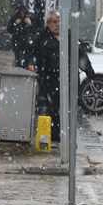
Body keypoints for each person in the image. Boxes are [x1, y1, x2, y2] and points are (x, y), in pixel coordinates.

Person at [27, 11, 61, 143]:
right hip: (49, 78)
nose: (57, 25)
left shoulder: (68, 35)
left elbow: (80, 54)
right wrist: (32, 63)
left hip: (65, 79)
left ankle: (63, 134)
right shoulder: (42, 37)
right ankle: (54, 135)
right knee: (51, 107)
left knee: (64, 108)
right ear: (48, 24)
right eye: (54, 22)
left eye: (59, 22)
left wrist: (89, 71)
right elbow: (33, 52)